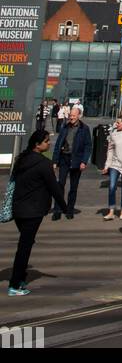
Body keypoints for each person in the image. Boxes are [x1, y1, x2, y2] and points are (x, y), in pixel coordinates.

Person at [7, 129, 68, 295]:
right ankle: (15, 284)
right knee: (24, 247)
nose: (49, 143)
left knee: (26, 243)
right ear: (37, 144)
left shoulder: (22, 159)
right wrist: (64, 208)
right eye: (47, 141)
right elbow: (54, 188)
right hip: (33, 211)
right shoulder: (43, 163)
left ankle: (20, 278)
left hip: (18, 209)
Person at [51, 104, 92, 219]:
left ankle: (69, 210)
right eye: (70, 115)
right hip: (64, 159)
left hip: (77, 161)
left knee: (73, 187)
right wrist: (55, 161)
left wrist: (84, 161)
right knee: (60, 185)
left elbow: (88, 146)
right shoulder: (65, 126)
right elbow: (58, 144)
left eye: (73, 115)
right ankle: (57, 210)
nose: (71, 117)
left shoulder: (84, 129)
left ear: (79, 116)